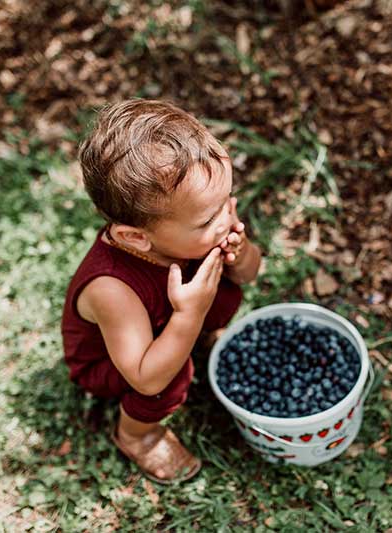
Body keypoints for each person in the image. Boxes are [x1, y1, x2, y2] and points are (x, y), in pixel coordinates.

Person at [61, 99, 262, 484]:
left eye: (227, 202)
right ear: (135, 237)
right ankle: (138, 435)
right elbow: (146, 378)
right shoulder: (112, 288)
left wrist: (241, 256)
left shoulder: (200, 229)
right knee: (171, 377)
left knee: (225, 288)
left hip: (165, 327)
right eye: (209, 218)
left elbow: (251, 273)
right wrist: (190, 315)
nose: (227, 220)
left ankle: (192, 337)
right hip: (118, 364)